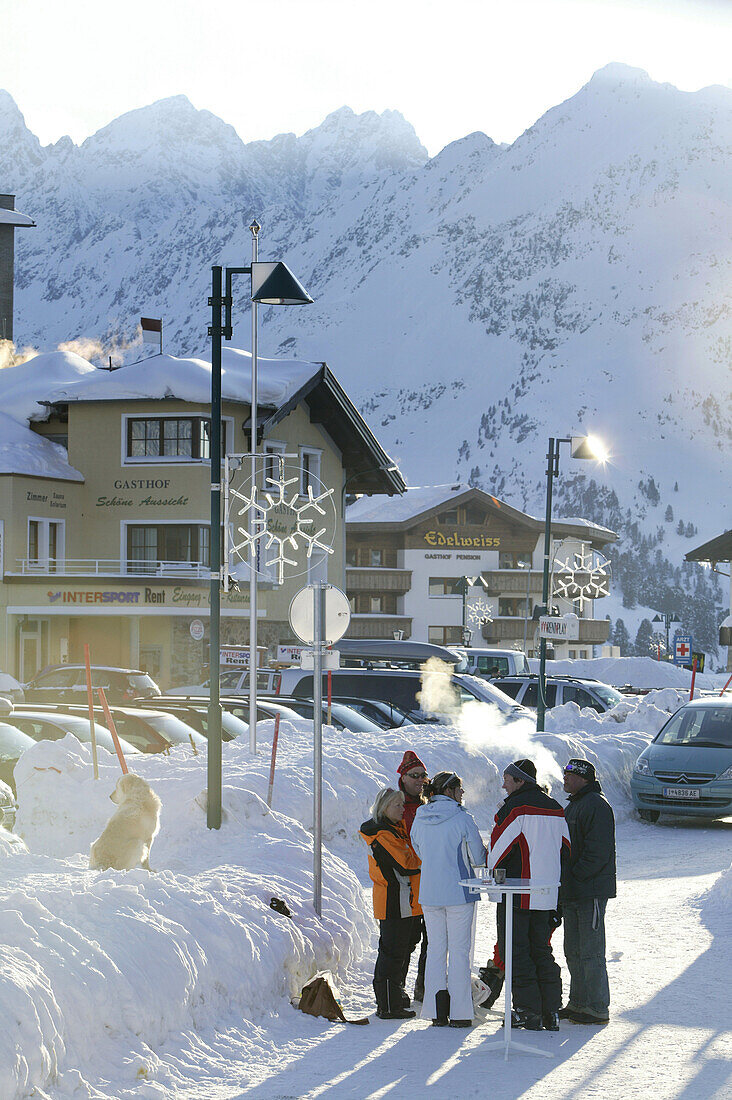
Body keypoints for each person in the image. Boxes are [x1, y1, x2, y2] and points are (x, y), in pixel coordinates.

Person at [488, 759, 570, 1032]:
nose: (503, 785)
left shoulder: (515, 807)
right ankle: (551, 1011)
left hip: (518, 893)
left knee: (516, 952)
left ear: (520, 781)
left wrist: (492, 872)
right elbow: (566, 849)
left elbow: (498, 851)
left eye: (507, 780)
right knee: (542, 950)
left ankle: (526, 1011)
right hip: (547, 894)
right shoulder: (557, 808)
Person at [411, 771, 487, 1027]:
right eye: (460, 789)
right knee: (458, 951)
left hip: (430, 893)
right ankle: (460, 1012)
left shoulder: (420, 817)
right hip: (459, 891)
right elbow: (478, 858)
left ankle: (435, 1011)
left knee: (435, 950)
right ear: (450, 791)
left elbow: (418, 850)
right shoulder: (463, 818)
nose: (463, 793)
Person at [560, 758, 616, 1025]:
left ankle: (596, 1006)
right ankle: (578, 1002)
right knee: (573, 949)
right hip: (573, 890)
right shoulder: (575, 805)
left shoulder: (596, 805)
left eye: (570, 774)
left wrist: (575, 875)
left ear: (583, 778)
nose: (565, 778)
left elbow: (598, 852)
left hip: (589, 890)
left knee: (591, 952)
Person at [360, 787, 422, 1020]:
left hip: (405, 900)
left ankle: (396, 996)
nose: (402, 808)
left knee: (404, 949)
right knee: (392, 953)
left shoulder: (395, 830)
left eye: (403, 804)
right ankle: (387, 1005)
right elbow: (407, 864)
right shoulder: (382, 834)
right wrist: (426, 857)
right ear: (384, 807)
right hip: (393, 901)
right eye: (397, 804)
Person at [397, 750, 429, 1001]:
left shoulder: (428, 805)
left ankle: (425, 987)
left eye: (423, 776)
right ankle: (396, 990)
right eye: (415, 775)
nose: (420, 780)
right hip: (405, 883)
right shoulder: (395, 805)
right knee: (406, 941)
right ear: (403, 777)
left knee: (433, 939)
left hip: (429, 882)